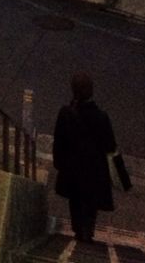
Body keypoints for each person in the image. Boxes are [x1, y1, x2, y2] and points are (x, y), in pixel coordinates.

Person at [52, 71, 119, 244]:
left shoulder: (66, 113)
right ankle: (88, 230)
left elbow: (59, 141)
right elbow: (110, 146)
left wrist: (59, 162)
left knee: (75, 200)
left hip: (72, 168)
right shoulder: (102, 117)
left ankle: (78, 229)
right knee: (91, 202)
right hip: (95, 171)